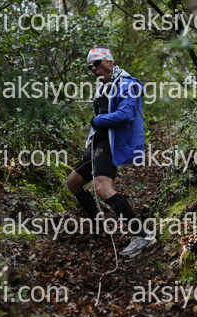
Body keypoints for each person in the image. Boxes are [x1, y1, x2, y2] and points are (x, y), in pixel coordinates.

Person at [66, 46, 155, 257]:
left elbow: (126, 114)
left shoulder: (128, 84)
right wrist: (91, 137)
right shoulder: (104, 86)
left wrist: (97, 120)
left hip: (111, 143)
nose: (93, 69)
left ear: (110, 62)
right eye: (90, 67)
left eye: (96, 63)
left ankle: (141, 235)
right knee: (73, 183)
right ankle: (99, 225)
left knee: (103, 188)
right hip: (98, 142)